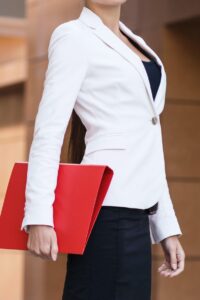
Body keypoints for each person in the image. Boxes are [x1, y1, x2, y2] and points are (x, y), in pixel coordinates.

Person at [21, 1, 185, 299]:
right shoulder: (73, 36)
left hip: (138, 214)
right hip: (105, 211)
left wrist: (166, 227)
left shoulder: (138, 44)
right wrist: (39, 216)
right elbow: (49, 131)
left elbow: (146, 140)